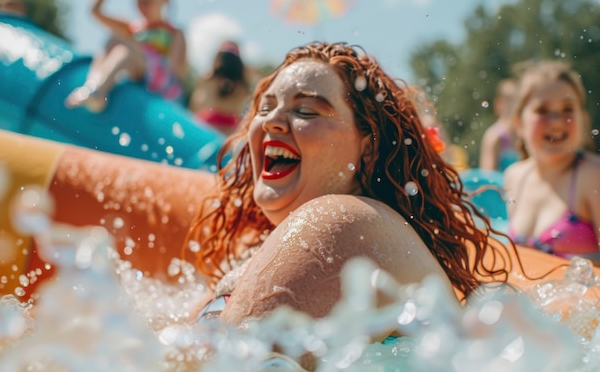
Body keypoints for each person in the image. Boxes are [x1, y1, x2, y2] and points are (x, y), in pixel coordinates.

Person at [185, 42, 513, 330]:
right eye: (266, 108)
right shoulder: (262, 246)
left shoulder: (340, 221)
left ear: (367, 150)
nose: (271, 121)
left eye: (305, 110)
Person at [504, 60, 600, 264]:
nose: (556, 120)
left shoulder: (593, 176)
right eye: (542, 110)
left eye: (567, 109)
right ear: (519, 123)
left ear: (582, 118)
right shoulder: (515, 177)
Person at [65, 0, 187, 113]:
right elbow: (95, 11)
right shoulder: (134, 28)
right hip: (136, 69)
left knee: (125, 50)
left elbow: (176, 70)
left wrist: (140, 51)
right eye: (139, 2)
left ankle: (98, 92)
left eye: (148, 1)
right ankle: (92, 86)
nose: (143, 6)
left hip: (158, 80)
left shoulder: (174, 33)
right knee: (113, 40)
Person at [188, 41, 251, 135]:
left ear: (218, 58)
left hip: (205, 128)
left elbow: (194, 107)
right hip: (229, 132)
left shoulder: (208, 80)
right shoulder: (243, 88)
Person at [479, 78, 520, 171]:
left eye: (517, 100)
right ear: (498, 104)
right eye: (510, 100)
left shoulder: (522, 134)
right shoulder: (494, 136)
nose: (515, 105)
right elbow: (489, 175)